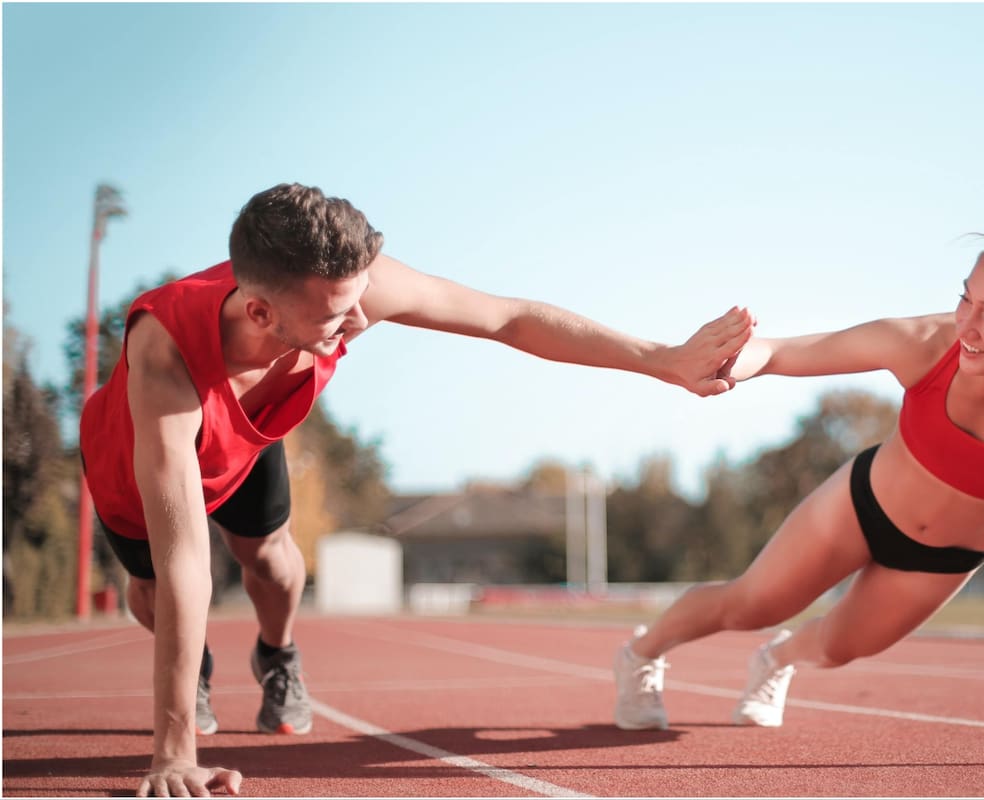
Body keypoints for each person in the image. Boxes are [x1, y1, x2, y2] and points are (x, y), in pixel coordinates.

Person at [79, 182, 756, 798]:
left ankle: (276, 656)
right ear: (259, 312)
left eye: (356, 303)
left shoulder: (350, 291)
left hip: (248, 437)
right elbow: (185, 559)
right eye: (335, 317)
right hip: (136, 458)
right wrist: (174, 755)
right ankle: (192, 668)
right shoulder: (165, 357)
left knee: (276, 565)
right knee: (160, 593)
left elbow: (508, 318)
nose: (356, 323)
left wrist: (660, 360)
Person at [612, 230, 984, 772]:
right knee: (752, 603)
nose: (966, 326)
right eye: (964, 298)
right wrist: (727, 363)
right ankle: (642, 653)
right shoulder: (926, 344)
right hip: (861, 506)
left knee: (836, 648)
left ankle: (776, 660)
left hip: (942, 561)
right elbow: (782, 352)